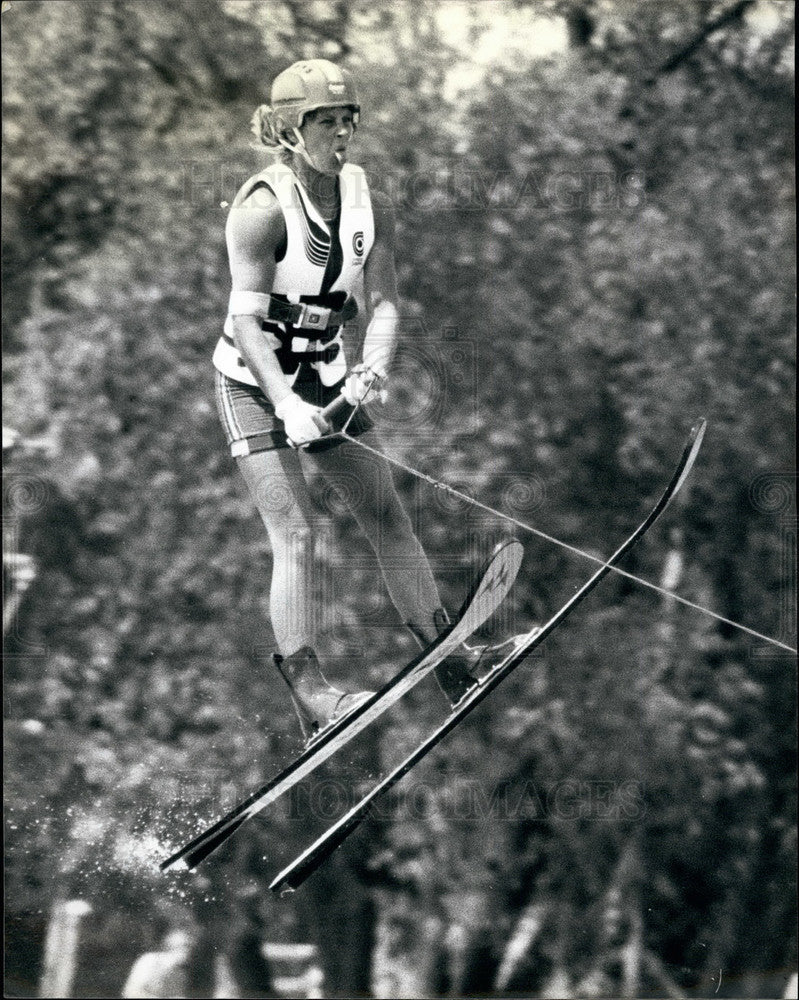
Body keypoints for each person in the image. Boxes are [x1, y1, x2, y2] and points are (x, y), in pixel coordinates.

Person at [213, 59, 512, 742]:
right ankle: (313, 696)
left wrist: (372, 368)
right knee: (296, 534)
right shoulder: (260, 211)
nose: (342, 133)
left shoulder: (363, 197)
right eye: (326, 122)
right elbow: (245, 323)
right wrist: (286, 404)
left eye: (349, 120)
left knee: (385, 512)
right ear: (291, 129)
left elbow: (382, 301)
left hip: (324, 373)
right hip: (253, 387)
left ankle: (452, 663)